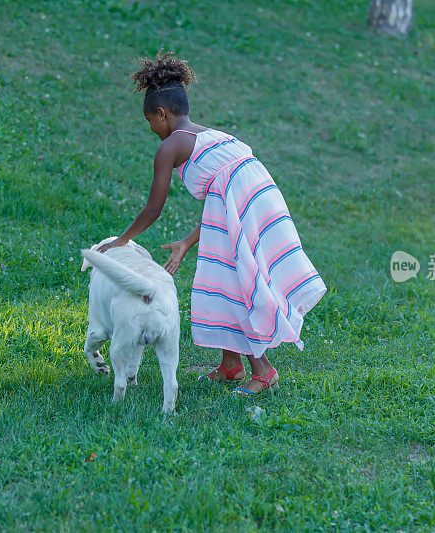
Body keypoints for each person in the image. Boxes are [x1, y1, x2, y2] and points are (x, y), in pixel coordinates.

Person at [97, 51, 326, 395]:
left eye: (150, 121)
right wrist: (187, 242)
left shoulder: (171, 145)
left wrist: (121, 241)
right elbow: (224, 205)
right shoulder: (212, 136)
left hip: (249, 203)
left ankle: (263, 371)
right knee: (221, 276)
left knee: (240, 284)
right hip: (259, 200)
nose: (151, 129)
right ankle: (230, 365)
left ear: (161, 113)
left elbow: (153, 209)